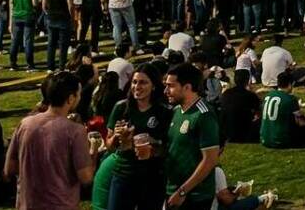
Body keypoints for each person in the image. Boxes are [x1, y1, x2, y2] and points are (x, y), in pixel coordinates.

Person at [5, 71, 97, 210]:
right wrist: (94, 152)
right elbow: (86, 177)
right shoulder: (75, 131)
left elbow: (9, 169)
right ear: (70, 98)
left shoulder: (25, 124)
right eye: (78, 94)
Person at [106, 63, 172, 210]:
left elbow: (169, 149)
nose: (137, 86)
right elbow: (109, 147)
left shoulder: (164, 112)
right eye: (135, 82)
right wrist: (117, 137)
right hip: (124, 173)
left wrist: (152, 148)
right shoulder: (121, 108)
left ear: (154, 86)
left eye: (143, 82)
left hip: (152, 177)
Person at [163, 63, 221, 210]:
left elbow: (210, 159)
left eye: (171, 86)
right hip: (173, 190)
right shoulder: (177, 111)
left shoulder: (204, 115)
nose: (166, 91)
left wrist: (183, 191)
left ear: (187, 87)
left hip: (195, 196)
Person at [260, 70, 305, 149]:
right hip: (281, 141)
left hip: (264, 139)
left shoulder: (268, 95)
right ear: (289, 84)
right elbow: (302, 123)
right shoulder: (290, 99)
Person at [7, 0, 41, 71]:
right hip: (28, 15)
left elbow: (11, 5)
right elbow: (34, 3)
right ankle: (30, 64)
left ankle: (13, 63)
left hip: (16, 16)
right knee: (28, 41)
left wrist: (10, 22)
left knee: (15, 40)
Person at [42, 0, 75, 71]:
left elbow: (44, 5)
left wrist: (48, 13)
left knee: (51, 43)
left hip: (51, 18)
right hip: (63, 18)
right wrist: (72, 17)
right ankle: (61, 66)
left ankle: (50, 66)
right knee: (63, 44)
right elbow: (70, 5)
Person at [219, 69, 261, 144]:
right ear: (247, 80)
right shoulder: (251, 95)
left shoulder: (226, 94)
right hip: (243, 133)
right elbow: (258, 112)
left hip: (226, 132)